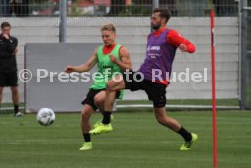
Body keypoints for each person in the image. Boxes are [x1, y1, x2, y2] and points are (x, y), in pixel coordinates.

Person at [90, 8, 198, 151]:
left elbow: (192, 47)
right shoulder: (150, 36)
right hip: (142, 74)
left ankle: (188, 137)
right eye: (152, 18)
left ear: (163, 19)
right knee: (111, 84)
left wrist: (186, 48)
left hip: (157, 81)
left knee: (162, 119)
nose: (152, 20)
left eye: (155, 18)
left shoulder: (170, 34)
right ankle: (106, 122)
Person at [64, 24, 132, 150]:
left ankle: (107, 119)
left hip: (114, 85)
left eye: (107, 36)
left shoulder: (121, 50)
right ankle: (87, 143)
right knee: (84, 114)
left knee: (99, 99)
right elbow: (86, 66)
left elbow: (129, 69)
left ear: (114, 35)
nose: (105, 39)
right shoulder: (99, 50)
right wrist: (73, 69)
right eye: (103, 36)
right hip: (97, 85)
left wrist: (117, 61)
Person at [0, 22, 22, 117]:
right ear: (1, 30)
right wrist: (10, 53)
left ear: (10, 29)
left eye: (8, 30)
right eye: (4, 30)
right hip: (0, 69)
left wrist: (8, 40)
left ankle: (17, 111)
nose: (6, 31)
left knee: (15, 89)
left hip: (12, 69)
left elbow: (12, 48)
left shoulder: (13, 40)